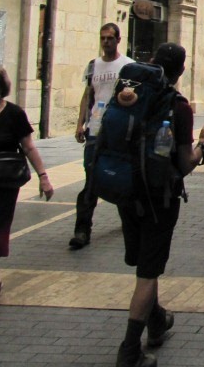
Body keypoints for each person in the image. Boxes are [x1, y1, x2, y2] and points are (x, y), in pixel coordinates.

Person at [112, 43, 204, 367]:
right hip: (159, 197)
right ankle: (130, 350)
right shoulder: (178, 106)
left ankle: (156, 320)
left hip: (125, 189)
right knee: (148, 272)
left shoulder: (129, 95)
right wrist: (203, 144)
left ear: (152, 61)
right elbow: (185, 164)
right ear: (181, 71)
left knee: (144, 262)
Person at [0, 64, 53, 321]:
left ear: (1, 85)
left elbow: (28, 147)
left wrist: (43, 177)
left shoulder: (13, 114)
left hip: (2, 185)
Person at [71, 23, 133, 250]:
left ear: (118, 40)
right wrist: (80, 123)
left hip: (118, 131)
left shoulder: (128, 66)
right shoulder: (93, 66)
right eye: (103, 38)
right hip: (95, 129)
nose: (106, 42)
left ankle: (128, 218)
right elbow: (88, 94)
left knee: (120, 176)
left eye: (110, 38)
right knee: (91, 179)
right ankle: (82, 230)